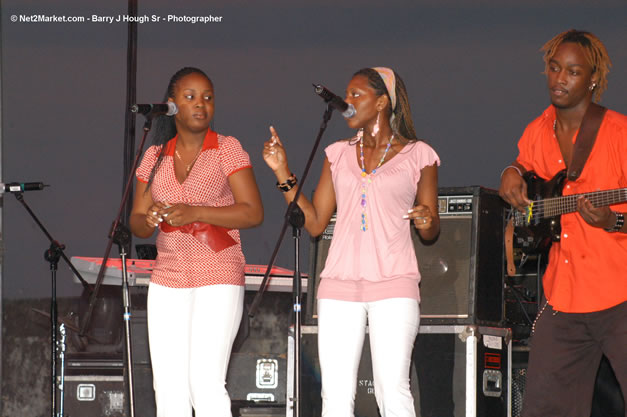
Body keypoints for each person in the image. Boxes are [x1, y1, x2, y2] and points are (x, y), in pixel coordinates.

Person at [263, 67, 440, 416]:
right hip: (338, 286)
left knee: (392, 390)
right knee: (337, 395)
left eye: (357, 94)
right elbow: (314, 223)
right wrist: (282, 171)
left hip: (394, 284)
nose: (348, 101)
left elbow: (430, 231)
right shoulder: (337, 154)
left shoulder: (419, 155)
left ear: (382, 102)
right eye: (347, 94)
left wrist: (427, 219)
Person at [499, 30, 627, 417]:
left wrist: (614, 219)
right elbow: (525, 166)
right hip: (563, 296)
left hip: (619, 292)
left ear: (592, 79)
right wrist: (511, 171)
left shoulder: (620, 133)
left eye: (572, 71)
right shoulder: (538, 131)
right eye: (554, 68)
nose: (560, 78)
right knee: (543, 408)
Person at [129, 67, 264, 417]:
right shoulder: (154, 155)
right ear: (171, 105)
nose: (201, 104)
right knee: (169, 386)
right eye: (190, 97)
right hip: (167, 277)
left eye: (208, 97)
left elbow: (252, 213)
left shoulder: (227, 148)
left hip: (218, 271)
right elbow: (137, 223)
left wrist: (195, 212)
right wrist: (152, 217)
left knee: (204, 382)